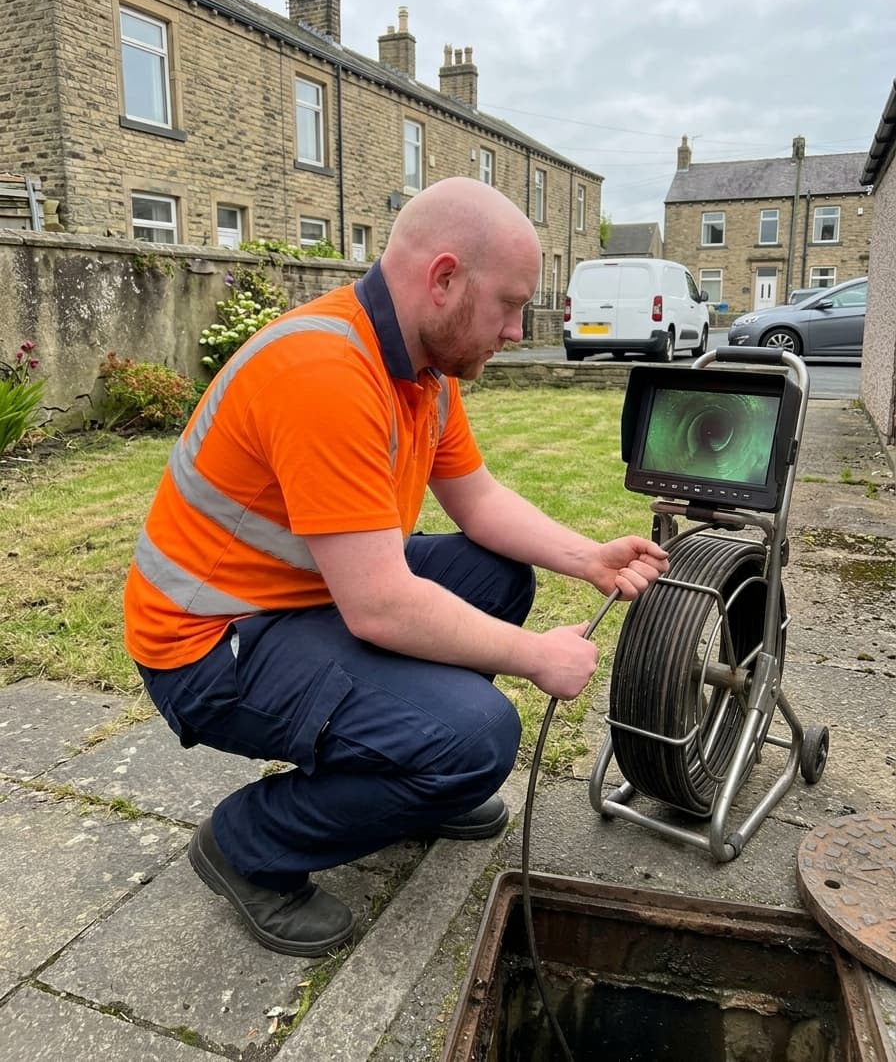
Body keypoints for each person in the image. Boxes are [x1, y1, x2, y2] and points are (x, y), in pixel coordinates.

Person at [124, 176, 668, 958]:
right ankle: (248, 846)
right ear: (443, 278)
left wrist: (590, 557)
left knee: (499, 573)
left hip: (302, 596)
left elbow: (477, 501)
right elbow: (380, 605)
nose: (519, 330)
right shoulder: (326, 373)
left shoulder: (421, 371)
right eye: (510, 305)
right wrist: (536, 656)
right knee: (482, 738)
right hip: (208, 643)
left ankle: (416, 773)